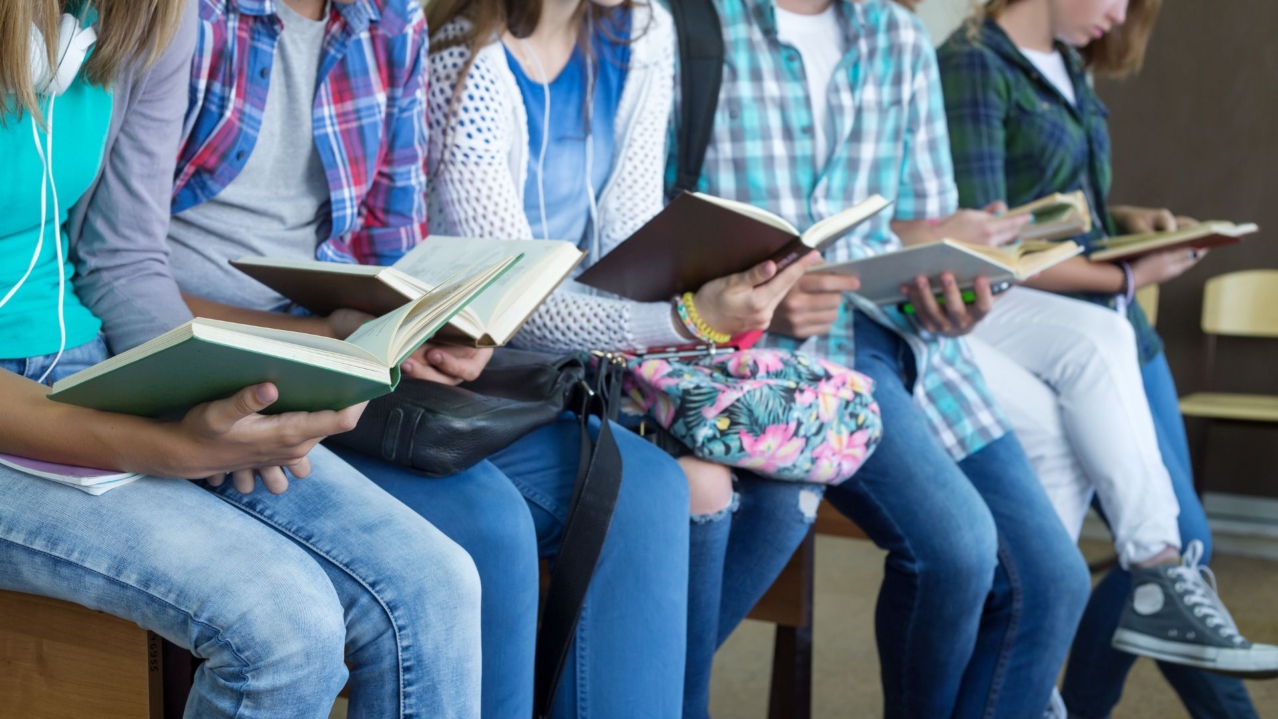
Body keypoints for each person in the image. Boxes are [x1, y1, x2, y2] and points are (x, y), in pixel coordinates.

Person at [164, 0, 692, 716]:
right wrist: (329, 333)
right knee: (489, 527)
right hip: (227, 353)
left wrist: (429, 323)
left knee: (646, 485)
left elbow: (390, 246)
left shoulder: (387, 19)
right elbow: (120, 265)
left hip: (342, 347)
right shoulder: (191, 21)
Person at [0, 2, 483, 718]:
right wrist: (165, 445)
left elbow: (124, 262)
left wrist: (235, 393)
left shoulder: (147, 17)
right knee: (285, 626)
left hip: (82, 363)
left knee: (435, 580)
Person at [668, 0, 1093, 716]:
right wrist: (757, 299)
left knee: (1053, 581)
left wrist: (950, 288)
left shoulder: (895, 34)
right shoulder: (688, 23)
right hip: (771, 359)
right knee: (956, 550)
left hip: (900, 340)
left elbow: (918, 222)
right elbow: (640, 225)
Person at [424, 0, 842, 715]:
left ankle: (645, 686)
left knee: (784, 487)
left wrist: (713, 298)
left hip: (602, 354)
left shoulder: (640, 29)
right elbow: (515, 298)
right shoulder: (463, 58)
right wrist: (687, 320)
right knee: (700, 483)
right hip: (489, 364)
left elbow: (628, 238)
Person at [938, 0, 1278, 714]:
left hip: (1112, 326)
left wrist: (1124, 224)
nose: (1121, 16)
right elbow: (989, 248)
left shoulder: (1067, 65)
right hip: (1060, 319)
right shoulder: (973, 64)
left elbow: (1059, 210)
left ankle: (1059, 694)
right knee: (1172, 540)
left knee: (1176, 541)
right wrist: (1127, 275)